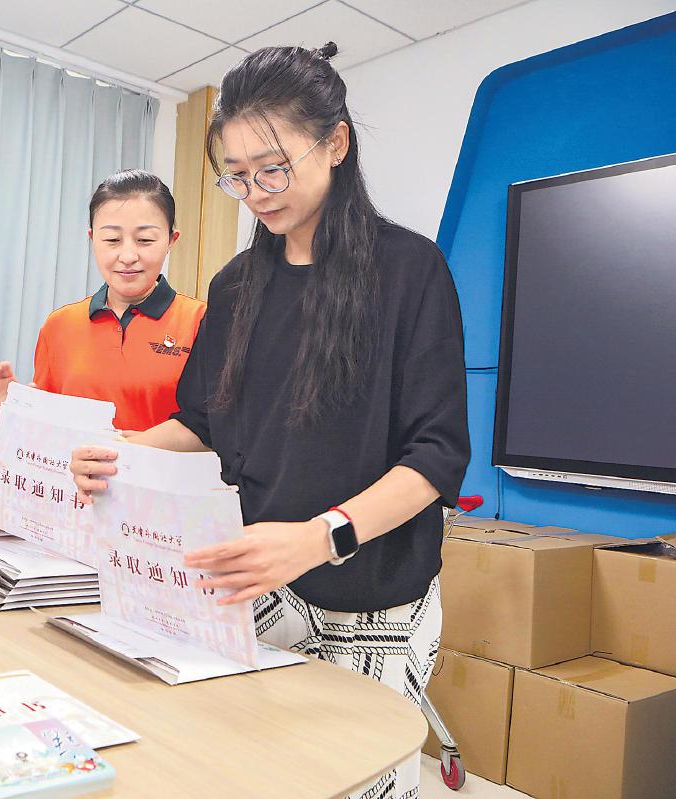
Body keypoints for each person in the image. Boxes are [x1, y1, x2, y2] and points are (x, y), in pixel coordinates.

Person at [69, 43, 470, 798]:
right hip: (257, 583)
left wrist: (321, 536)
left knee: (356, 782)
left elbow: (437, 454)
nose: (255, 192)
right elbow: (202, 421)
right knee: (245, 771)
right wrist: (121, 451)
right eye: (238, 175)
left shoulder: (409, 271)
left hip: (372, 597)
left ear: (336, 143)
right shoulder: (237, 285)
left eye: (273, 168)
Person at [0, 170, 205, 433]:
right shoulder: (59, 325)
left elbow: (210, 431)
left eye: (144, 240)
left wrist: (123, 448)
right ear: (92, 239)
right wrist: (17, 413)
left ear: (171, 240)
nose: (128, 256)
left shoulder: (201, 322)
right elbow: (48, 435)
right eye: (112, 240)